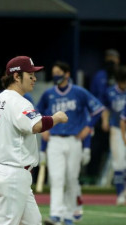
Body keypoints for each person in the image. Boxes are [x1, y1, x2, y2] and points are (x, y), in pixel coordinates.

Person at [0, 56, 68, 225]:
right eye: (30, 74)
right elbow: (37, 125)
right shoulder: (19, 102)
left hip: (8, 172)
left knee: (33, 222)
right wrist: (56, 118)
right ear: (16, 76)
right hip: (13, 173)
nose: (34, 78)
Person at [37, 61, 105, 225]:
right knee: (56, 178)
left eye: (59, 72)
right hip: (55, 140)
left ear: (67, 74)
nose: (56, 76)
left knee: (71, 178)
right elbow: (37, 111)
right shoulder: (48, 94)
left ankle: (68, 214)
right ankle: (55, 214)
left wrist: (88, 128)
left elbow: (98, 109)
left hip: (74, 140)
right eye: (53, 73)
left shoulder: (79, 92)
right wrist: (43, 128)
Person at [88, 49, 120, 180]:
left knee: (117, 152)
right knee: (96, 149)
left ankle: (114, 181)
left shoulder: (120, 75)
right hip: (99, 119)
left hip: (118, 119)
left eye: (114, 58)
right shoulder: (99, 75)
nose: (111, 61)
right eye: (109, 58)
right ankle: (92, 177)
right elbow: (93, 98)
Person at [102, 65, 126, 205]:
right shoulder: (110, 92)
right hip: (116, 128)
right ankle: (120, 195)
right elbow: (105, 108)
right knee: (118, 163)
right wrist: (105, 120)